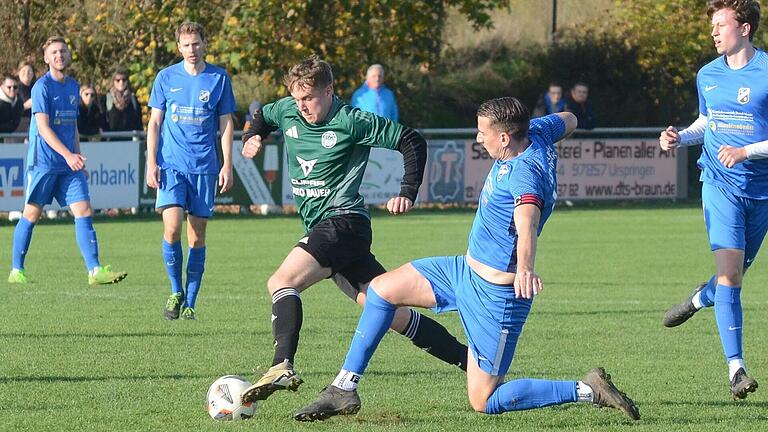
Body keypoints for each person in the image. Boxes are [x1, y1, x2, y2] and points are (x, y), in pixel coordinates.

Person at [294, 98, 641, 423]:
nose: (478, 138)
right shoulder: (535, 131)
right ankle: (344, 388)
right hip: (462, 271)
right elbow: (570, 118)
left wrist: (525, 268)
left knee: (484, 401)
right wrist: (540, 126)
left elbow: (527, 221)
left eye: (483, 132)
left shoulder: (523, 173)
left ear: (504, 138)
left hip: (496, 297)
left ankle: (587, 390)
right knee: (382, 290)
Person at [239, 55, 468, 405]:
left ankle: (281, 364)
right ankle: (473, 363)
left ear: (329, 90)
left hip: (343, 223)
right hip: (333, 231)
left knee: (282, 282)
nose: (302, 107)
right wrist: (253, 137)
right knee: (390, 311)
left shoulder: (351, 120)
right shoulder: (287, 109)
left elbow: (411, 140)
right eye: (297, 99)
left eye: (309, 99)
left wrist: (407, 191)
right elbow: (263, 117)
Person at [660, 0, 766, 401]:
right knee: (732, 276)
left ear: (745, 28)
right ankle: (736, 368)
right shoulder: (707, 74)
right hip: (719, 184)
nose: (713, 32)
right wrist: (680, 137)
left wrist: (746, 152)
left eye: (720, 25)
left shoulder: (767, 73)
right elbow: (709, 122)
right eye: (712, 26)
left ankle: (699, 298)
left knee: (731, 278)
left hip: (761, 190)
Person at [8, 36, 127, 285]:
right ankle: (16, 270)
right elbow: (42, 127)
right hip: (44, 162)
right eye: (54, 52)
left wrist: (77, 158)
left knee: (84, 210)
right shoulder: (42, 87)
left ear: (68, 55)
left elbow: (71, 127)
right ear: (46, 58)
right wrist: (67, 155)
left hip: (68, 163)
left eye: (63, 51)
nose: (59, 55)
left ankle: (94, 271)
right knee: (31, 214)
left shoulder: (73, 86)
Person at [147, 22, 236, 321]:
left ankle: (191, 303)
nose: (192, 50)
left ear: (204, 44)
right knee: (171, 229)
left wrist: (227, 164)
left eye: (196, 44)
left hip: (204, 167)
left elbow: (225, 124)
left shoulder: (219, 78)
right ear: (179, 48)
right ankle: (175, 291)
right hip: (171, 166)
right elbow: (155, 123)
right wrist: (151, 163)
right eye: (186, 45)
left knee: (196, 237)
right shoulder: (166, 77)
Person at [16, 61, 35, 133]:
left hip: (34, 123)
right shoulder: (13, 88)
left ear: (33, 74)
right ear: (18, 73)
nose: (26, 73)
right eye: (23, 71)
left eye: (29, 71)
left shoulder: (37, 87)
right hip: (18, 125)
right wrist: (25, 106)